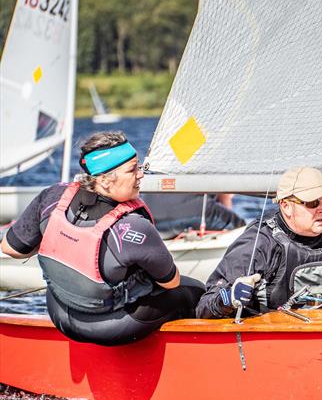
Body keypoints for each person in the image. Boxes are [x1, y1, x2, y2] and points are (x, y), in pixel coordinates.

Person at [0, 132, 204, 346]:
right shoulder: (134, 226)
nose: (141, 175)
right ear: (105, 180)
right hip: (109, 329)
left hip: (59, 314)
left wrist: (63, 241)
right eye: (132, 169)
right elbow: (171, 282)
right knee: (194, 291)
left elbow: (10, 248)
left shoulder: (53, 197)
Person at [196, 166, 322, 318]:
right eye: (313, 202)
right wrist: (227, 298)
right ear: (286, 206)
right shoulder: (260, 243)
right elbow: (205, 306)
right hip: (271, 348)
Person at [140, 192, 245, 239]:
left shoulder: (164, 154)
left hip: (153, 217)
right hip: (194, 213)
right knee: (242, 228)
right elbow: (225, 198)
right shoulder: (209, 152)